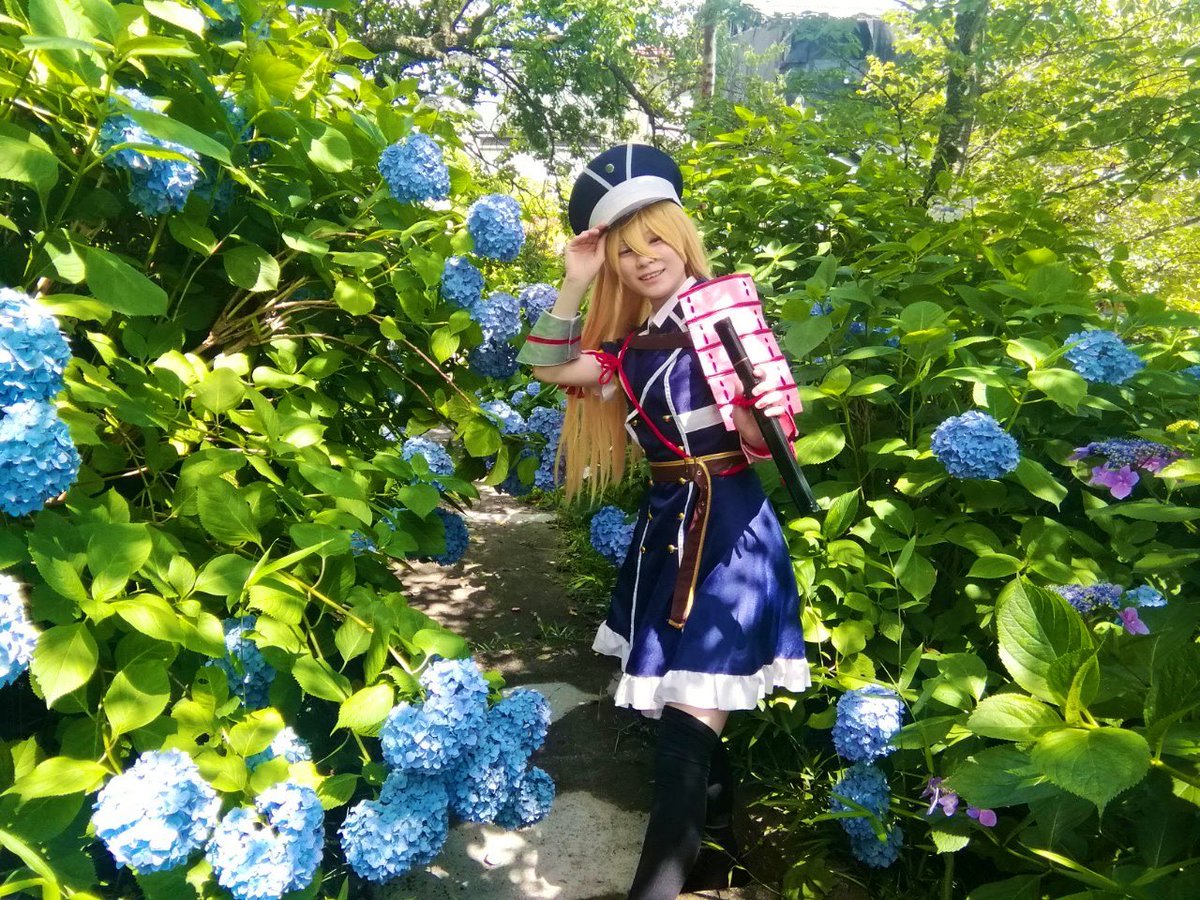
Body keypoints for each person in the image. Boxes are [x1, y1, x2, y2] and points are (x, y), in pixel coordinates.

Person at [516, 142, 809, 899]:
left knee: (684, 727)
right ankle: (719, 855)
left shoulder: (728, 319)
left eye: (655, 239)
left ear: (682, 238)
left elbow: (762, 442)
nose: (644, 258)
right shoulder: (627, 350)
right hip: (668, 534)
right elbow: (545, 365)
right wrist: (574, 279)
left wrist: (757, 404)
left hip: (733, 537)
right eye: (625, 250)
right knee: (686, 715)